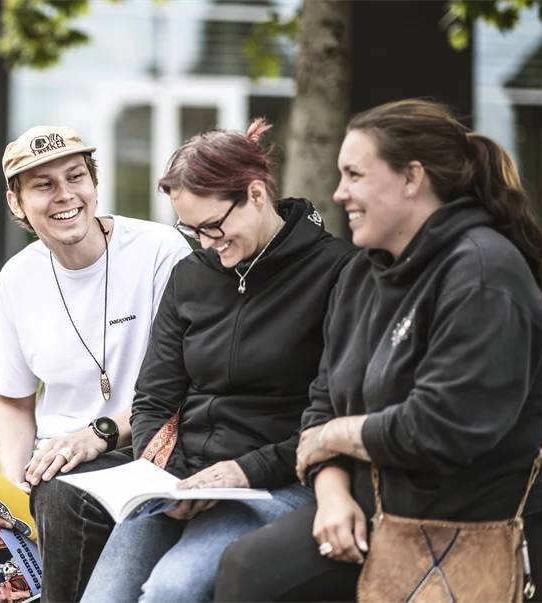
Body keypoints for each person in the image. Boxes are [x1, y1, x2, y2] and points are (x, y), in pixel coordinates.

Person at [214, 99, 542, 602]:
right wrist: (331, 497)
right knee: (247, 568)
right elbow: (323, 401)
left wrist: (335, 436)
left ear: (412, 177)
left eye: (354, 174)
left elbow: (442, 428)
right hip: (371, 513)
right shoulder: (360, 273)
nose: (338, 192)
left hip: (471, 532)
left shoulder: (483, 274)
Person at [80, 119, 357, 602]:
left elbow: (333, 410)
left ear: (254, 194)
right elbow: (152, 397)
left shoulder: (337, 272)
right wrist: (158, 475)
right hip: (181, 482)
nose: (205, 242)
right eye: (190, 229)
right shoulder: (191, 275)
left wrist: (245, 470)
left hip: (274, 480)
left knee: (172, 590)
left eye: (212, 226)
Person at [0, 125, 192, 602]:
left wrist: (94, 435)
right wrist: (15, 489)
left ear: (94, 184)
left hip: (148, 443)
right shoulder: (17, 278)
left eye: (75, 176)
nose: (65, 195)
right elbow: (13, 402)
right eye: (43, 185)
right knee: (47, 494)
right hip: (60, 465)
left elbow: (185, 384)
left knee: (59, 493)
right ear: (16, 203)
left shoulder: (162, 252)